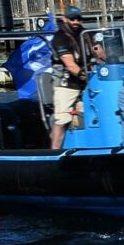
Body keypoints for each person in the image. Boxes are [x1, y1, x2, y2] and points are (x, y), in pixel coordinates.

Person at [47, 8, 91, 153]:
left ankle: (88, 147)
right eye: (73, 19)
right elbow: (71, 65)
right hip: (65, 84)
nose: (76, 22)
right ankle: (54, 152)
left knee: (93, 113)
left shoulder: (85, 34)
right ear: (65, 19)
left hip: (86, 84)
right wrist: (85, 76)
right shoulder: (60, 38)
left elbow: (99, 51)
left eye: (78, 19)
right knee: (62, 118)